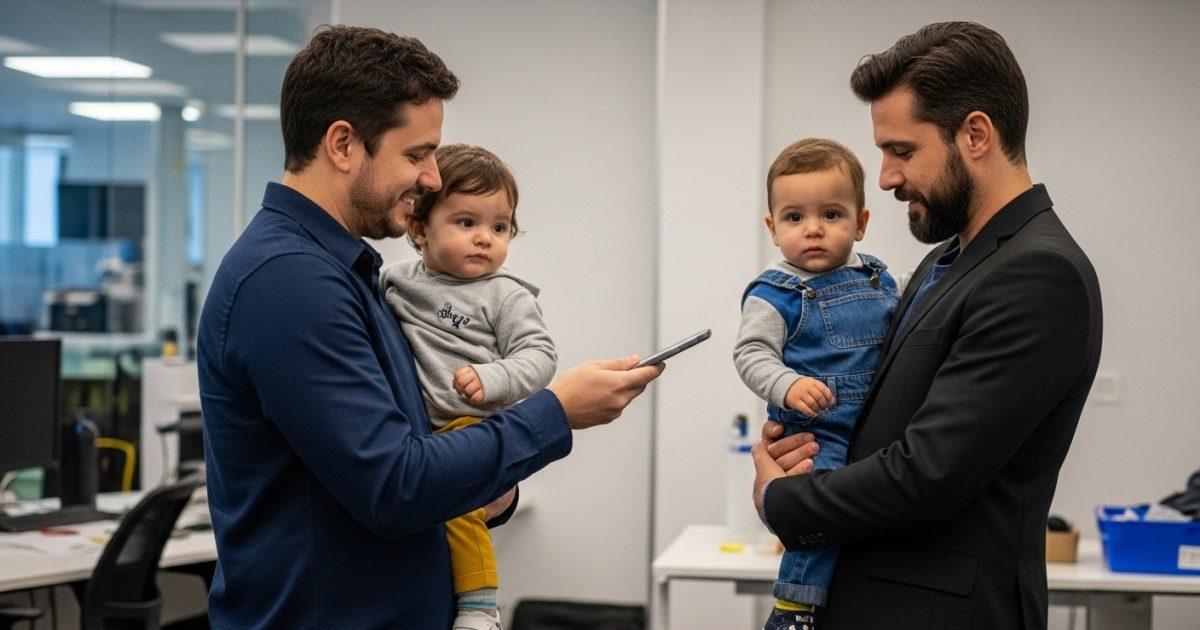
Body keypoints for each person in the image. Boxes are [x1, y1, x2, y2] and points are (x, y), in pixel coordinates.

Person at [197, 26, 662, 629]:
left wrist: (490, 491)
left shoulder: (348, 271)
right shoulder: (288, 284)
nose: (432, 179)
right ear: (342, 144)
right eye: (416, 154)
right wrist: (556, 411)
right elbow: (394, 486)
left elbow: (410, 451)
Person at [751, 21, 1103, 629]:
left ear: (974, 134)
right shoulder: (948, 260)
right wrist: (807, 442)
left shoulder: (1039, 273)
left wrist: (782, 497)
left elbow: (927, 474)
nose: (885, 176)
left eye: (902, 151)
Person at [380, 144, 553, 629]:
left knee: (460, 513)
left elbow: (540, 358)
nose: (485, 239)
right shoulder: (392, 281)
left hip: (467, 422)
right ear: (418, 228)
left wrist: (490, 377)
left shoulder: (505, 295)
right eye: (466, 223)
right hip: (413, 431)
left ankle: (479, 606)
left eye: (499, 228)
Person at [734, 138, 899, 629]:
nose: (812, 230)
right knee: (817, 515)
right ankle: (795, 605)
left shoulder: (880, 278)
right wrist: (785, 385)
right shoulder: (774, 292)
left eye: (831, 215)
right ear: (772, 228)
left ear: (861, 222)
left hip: (872, 425)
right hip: (816, 429)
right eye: (794, 218)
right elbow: (750, 353)